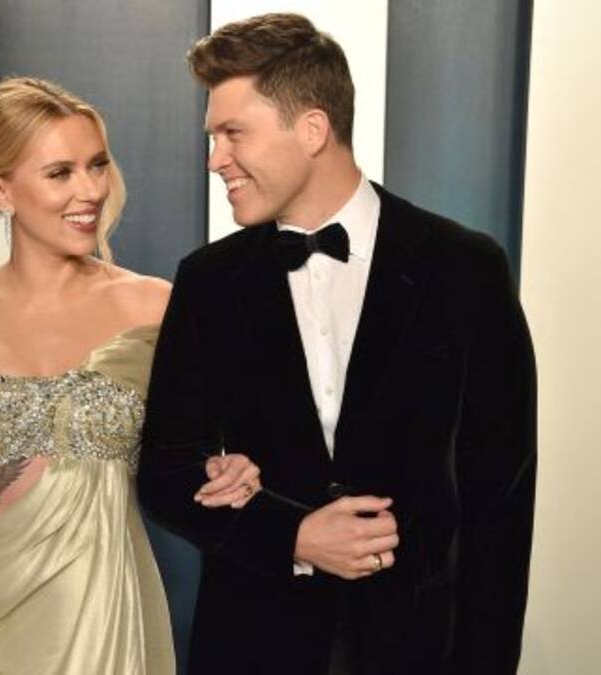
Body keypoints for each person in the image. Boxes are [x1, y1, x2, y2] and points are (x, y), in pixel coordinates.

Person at [138, 13, 537, 675]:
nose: (215, 159)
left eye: (233, 133)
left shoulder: (465, 268)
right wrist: (291, 534)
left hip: (417, 652)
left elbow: (502, 497)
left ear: (313, 129)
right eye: (213, 137)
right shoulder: (208, 281)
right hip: (251, 650)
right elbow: (164, 472)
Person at [0, 77, 229, 675]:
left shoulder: (155, 307)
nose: (90, 190)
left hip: (103, 620)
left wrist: (229, 467)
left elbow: (202, 454)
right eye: (60, 173)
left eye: (97, 165)